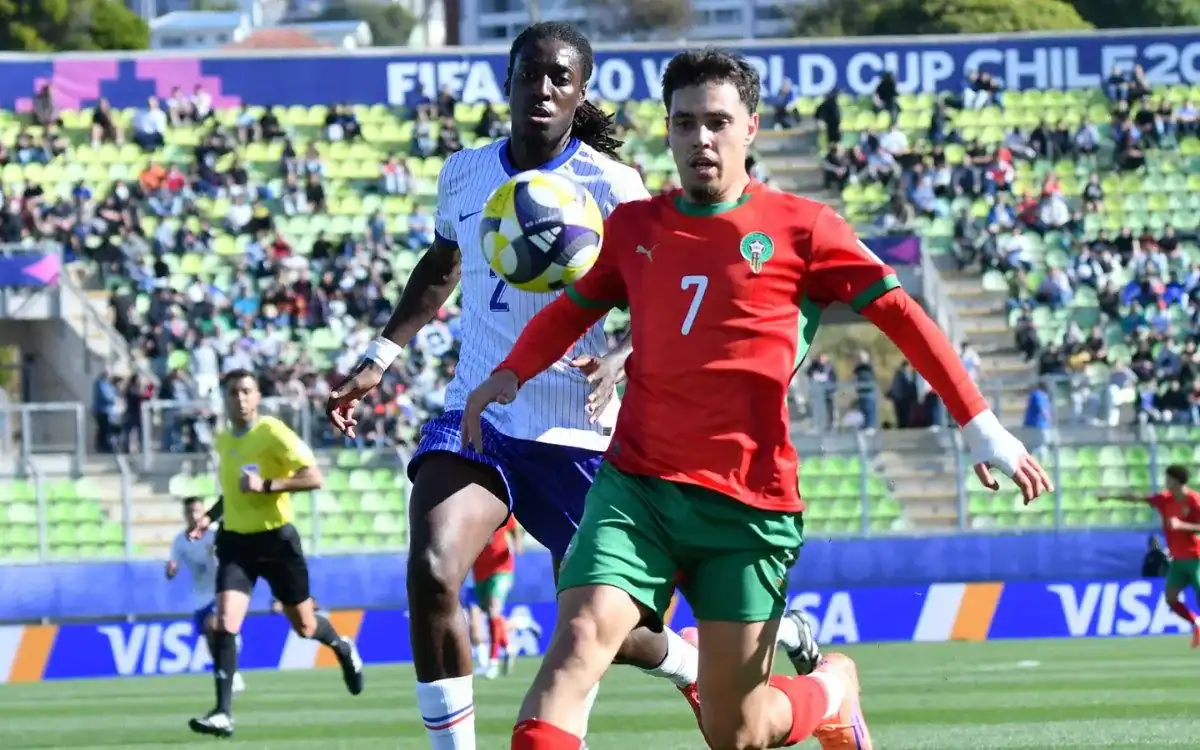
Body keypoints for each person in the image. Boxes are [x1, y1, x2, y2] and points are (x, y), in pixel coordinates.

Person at [462, 48, 1051, 750]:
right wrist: (512, 371)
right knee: (581, 639)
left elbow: (902, 316)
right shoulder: (635, 228)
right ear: (669, 131)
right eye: (685, 123)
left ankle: (831, 688)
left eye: (717, 122)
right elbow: (574, 308)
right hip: (636, 490)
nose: (700, 139)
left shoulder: (805, 229)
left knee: (735, 730)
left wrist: (979, 425)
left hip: (748, 505)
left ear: (751, 128)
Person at [323, 22, 757, 750]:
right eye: (531, 74)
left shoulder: (614, 188)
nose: (544, 88)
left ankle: (685, 665)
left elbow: (666, 294)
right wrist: (380, 354)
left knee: (618, 634)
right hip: (482, 416)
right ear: (509, 79)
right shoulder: (464, 172)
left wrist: (623, 352)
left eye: (561, 77)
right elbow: (440, 266)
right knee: (431, 568)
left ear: (580, 91)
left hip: (579, 433)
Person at [186, 369, 364, 738]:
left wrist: (267, 485)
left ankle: (342, 646)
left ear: (257, 396)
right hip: (236, 542)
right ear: (225, 397)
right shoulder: (223, 441)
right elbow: (234, 493)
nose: (240, 398)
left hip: (277, 541)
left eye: (247, 391)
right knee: (224, 623)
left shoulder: (272, 433)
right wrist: (209, 517)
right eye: (234, 391)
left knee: (305, 627)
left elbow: (314, 477)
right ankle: (223, 713)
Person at [1101, 464, 1200, 647]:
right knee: (1171, 599)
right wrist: (1110, 497)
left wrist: (1182, 525)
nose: (1165, 482)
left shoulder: (1194, 501)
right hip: (1177, 560)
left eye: (1168, 479)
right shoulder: (1165, 499)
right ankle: (1196, 623)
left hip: (1196, 558)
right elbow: (1138, 498)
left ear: (1176, 481)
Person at [166, 496, 245, 695]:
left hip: (221, 591)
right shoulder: (180, 541)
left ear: (204, 513)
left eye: (197, 511)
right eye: (190, 512)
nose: (194, 516)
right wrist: (171, 570)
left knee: (213, 625)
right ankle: (227, 670)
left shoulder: (214, 536)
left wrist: (217, 555)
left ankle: (230, 665)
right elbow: (171, 570)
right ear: (185, 515)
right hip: (200, 596)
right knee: (210, 637)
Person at [471, 515, 522, 679]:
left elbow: (514, 529)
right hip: (479, 570)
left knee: (493, 611)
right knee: (490, 614)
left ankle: (493, 662)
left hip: (502, 569)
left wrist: (517, 545)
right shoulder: (469, 512)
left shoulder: (501, 508)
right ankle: (507, 646)